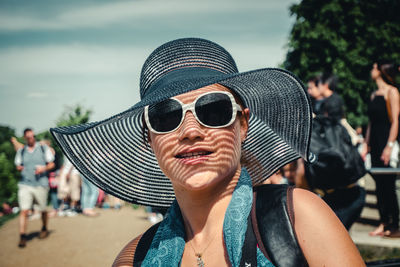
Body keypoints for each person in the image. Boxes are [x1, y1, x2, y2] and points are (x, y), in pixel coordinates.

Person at [51, 38, 364, 266]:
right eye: (166, 117)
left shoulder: (299, 218)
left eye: (213, 110)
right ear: (149, 137)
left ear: (243, 124)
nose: (190, 131)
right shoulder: (134, 258)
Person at [362, 61, 400, 238]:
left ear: (381, 71)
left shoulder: (392, 92)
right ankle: (383, 222)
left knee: (389, 185)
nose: (372, 70)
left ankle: (394, 225)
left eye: (374, 67)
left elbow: (396, 121)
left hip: (387, 142)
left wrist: (389, 146)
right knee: (378, 184)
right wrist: (366, 144)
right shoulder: (374, 94)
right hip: (375, 142)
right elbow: (370, 123)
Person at [14, 128, 55, 248]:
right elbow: (18, 165)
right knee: (24, 210)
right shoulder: (21, 151)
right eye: (28, 137)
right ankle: (22, 236)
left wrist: (43, 169)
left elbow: (52, 163)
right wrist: (20, 168)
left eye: (32, 136)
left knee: (42, 209)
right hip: (25, 183)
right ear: (25, 138)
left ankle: (44, 227)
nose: (31, 138)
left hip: (40, 184)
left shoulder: (43, 148)